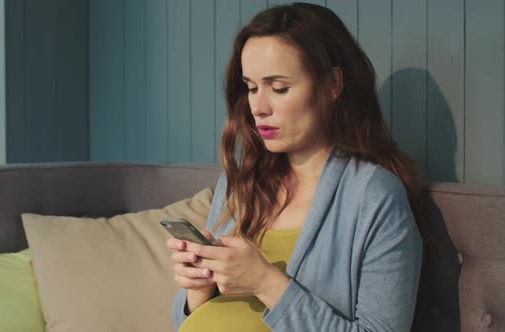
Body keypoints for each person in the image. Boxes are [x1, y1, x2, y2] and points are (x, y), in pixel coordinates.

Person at [167, 3, 424, 331]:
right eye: (251, 87)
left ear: (332, 84)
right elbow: (187, 321)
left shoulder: (374, 197)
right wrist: (198, 288)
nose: (258, 107)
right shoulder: (241, 182)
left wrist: (266, 283)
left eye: (279, 88)